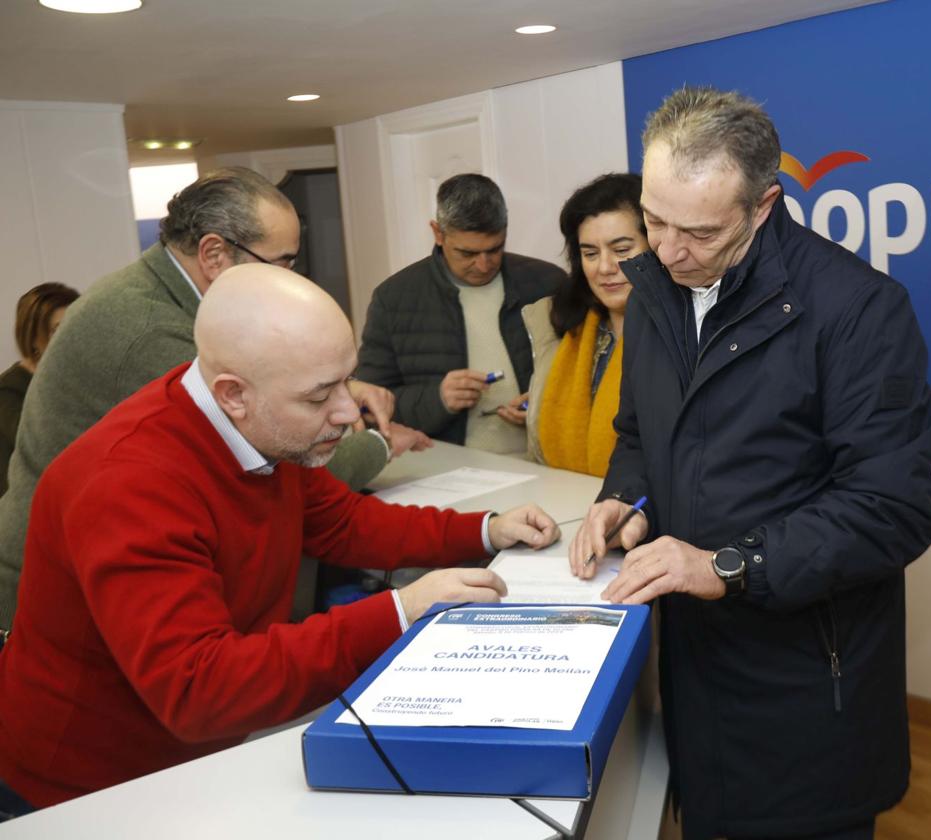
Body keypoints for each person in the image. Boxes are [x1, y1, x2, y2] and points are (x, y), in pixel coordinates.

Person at [0, 265, 561, 813]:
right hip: (83, 792)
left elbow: (342, 523)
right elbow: (199, 688)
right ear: (233, 394)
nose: (346, 413)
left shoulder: (264, 425)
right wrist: (400, 611)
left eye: (347, 379)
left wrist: (483, 529)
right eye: (319, 397)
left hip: (192, 756)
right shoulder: (128, 485)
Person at [569, 88, 931, 839]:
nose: (667, 251)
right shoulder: (653, 293)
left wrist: (727, 565)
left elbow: (892, 509)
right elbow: (639, 432)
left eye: (698, 232)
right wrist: (624, 497)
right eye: (654, 220)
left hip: (804, 686)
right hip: (695, 669)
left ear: (763, 205)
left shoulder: (859, 310)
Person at [0, 167, 423, 635]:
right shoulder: (151, 334)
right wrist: (383, 443)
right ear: (215, 254)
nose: (289, 278)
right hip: (53, 605)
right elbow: (295, 458)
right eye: (281, 263)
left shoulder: (150, 292)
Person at [357, 173, 566, 455]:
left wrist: (543, 403)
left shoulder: (548, 283)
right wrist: (437, 398)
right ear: (438, 234)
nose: (483, 265)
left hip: (545, 462)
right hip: (447, 471)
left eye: (495, 249)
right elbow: (369, 405)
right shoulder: (393, 298)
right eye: (467, 253)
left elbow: (586, 376)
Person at [522, 173, 648, 476]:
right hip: (562, 504)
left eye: (621, 250)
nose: (605, 268)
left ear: (656, 246)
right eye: (590, 253)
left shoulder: (686, 334)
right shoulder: (562, 330)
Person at [0, 283, 80, 496]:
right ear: (33, 337)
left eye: (73, 324)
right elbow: (38, 446)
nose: (69, 335)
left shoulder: (76, 377)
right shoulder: (8, 390)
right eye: (56, 329)